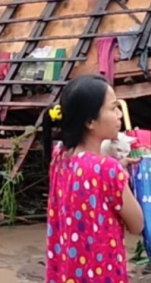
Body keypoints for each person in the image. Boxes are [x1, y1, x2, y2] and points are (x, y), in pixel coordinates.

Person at [43, 74, 144, 283]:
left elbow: (88, 176)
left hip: (67, 273)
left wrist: (117, 168)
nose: (119, 115)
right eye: (113, 108)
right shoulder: (106, 169)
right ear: (90, 121)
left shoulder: (60, 155)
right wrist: (122, 177)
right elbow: (137, 224)